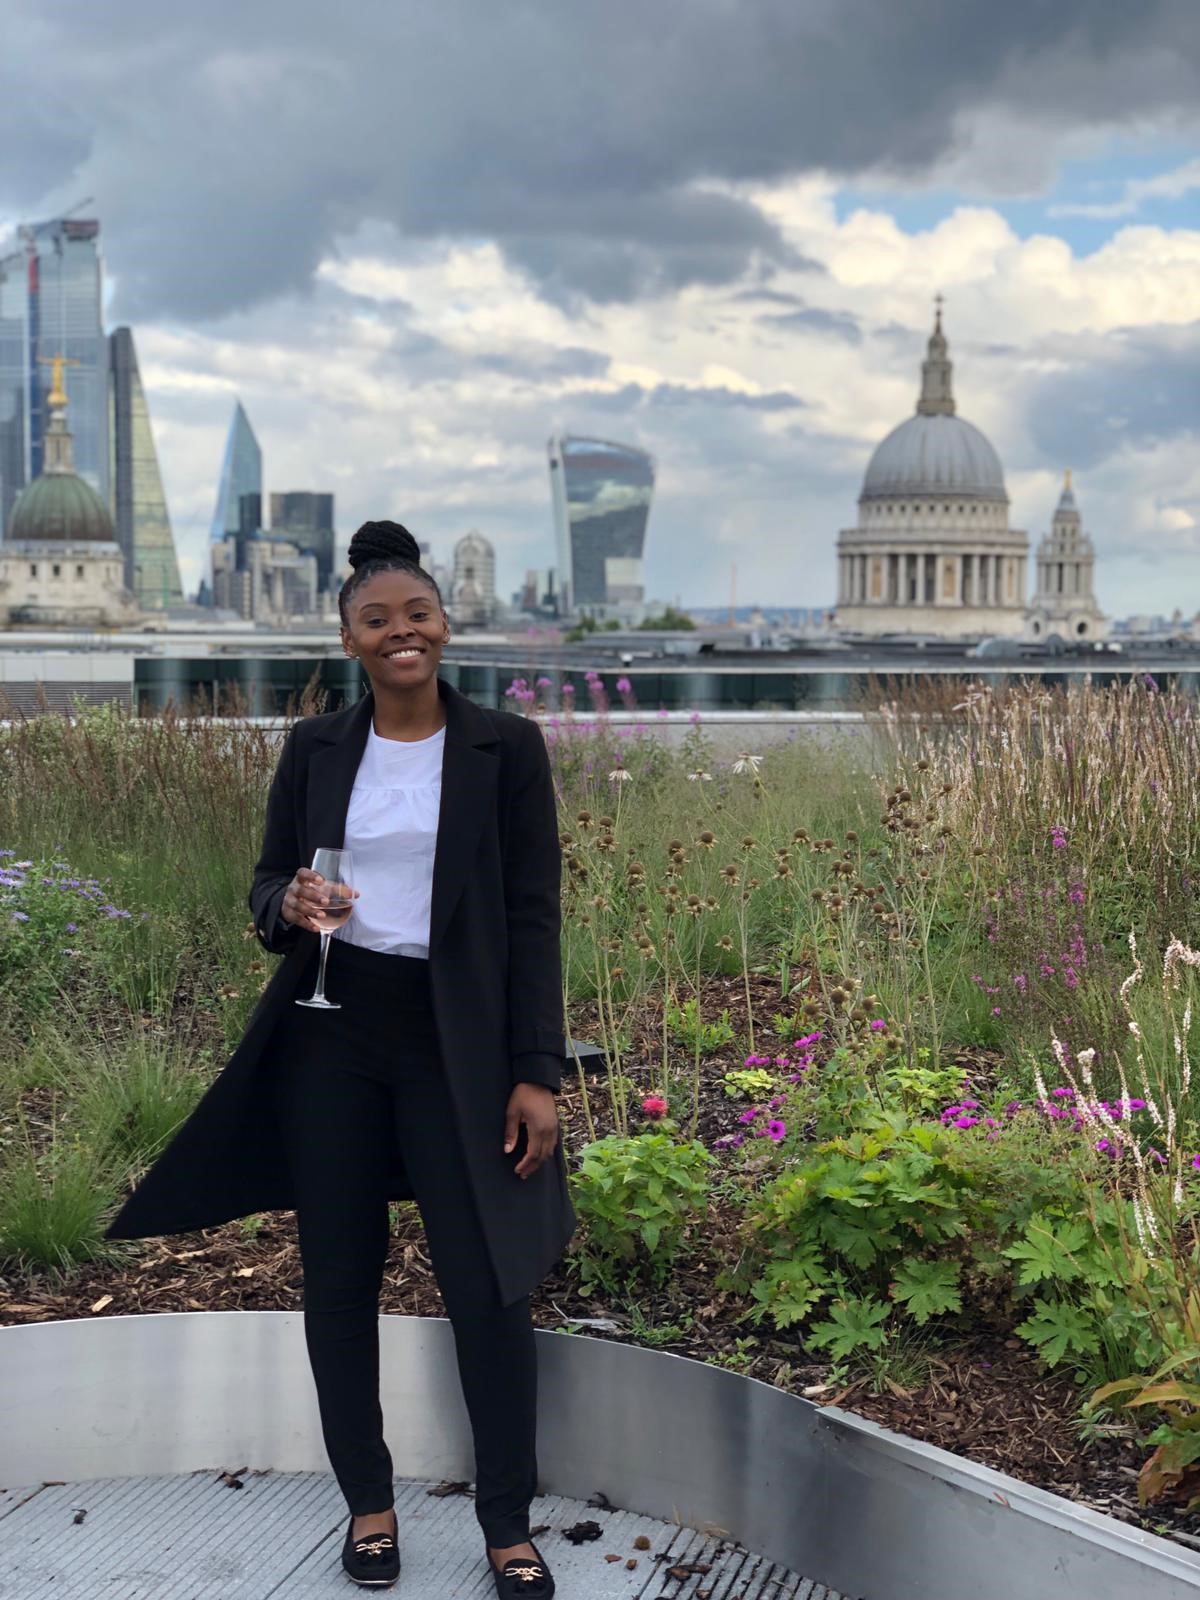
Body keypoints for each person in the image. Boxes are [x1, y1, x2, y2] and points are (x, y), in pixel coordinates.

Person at [105, 519, 575, 1596]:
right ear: (351, 638)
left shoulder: (507, 748)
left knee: (488, 1283)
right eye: (377, 620)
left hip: (456, 1039)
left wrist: (537, 1068)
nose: (400, 632)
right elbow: (267, 885)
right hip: (335, 1028)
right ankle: (367, 1503)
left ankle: (507, 1520)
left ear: (445, 626)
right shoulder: (316, 747)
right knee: (338, 1279)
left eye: (417, 614)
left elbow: (536, 915)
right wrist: (292, 903)